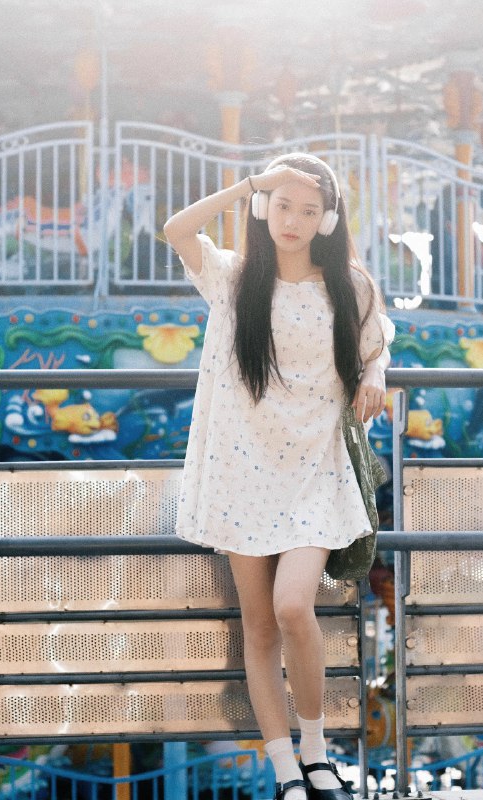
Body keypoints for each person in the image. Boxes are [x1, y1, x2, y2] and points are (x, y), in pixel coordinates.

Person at [164, 153, 394, 800]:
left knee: (293, 605)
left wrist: (375, 373)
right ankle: (285, 771)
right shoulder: (234, 278)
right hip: (241, 470)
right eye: (283, 206)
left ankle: (316, 753)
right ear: (264, 209)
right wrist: (250, 185)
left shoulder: (350, 286)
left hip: (314, 468)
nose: (294, 220)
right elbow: (177, 230)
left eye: (309, 210)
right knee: (259, 625)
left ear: (328, 221)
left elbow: (377, 340)